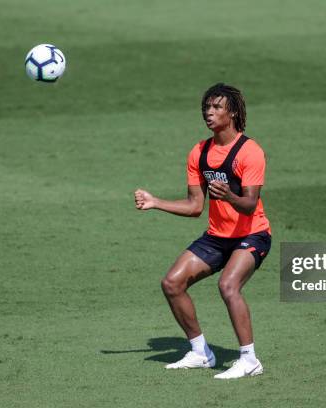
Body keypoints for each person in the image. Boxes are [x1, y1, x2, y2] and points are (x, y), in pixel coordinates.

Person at [134, 83, 271, 379]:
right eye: (206, 108)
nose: (209, 113)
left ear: (232, 112)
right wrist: (155, 202)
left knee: (228, 285)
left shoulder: (250, 152)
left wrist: (230, 197)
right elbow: (195, 206)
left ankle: (249, 359)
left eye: (216, 107)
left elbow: (249, 204)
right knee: (172, 282)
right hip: (217, 237)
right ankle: (200, 352)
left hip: (252, 235)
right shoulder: (199, 152)